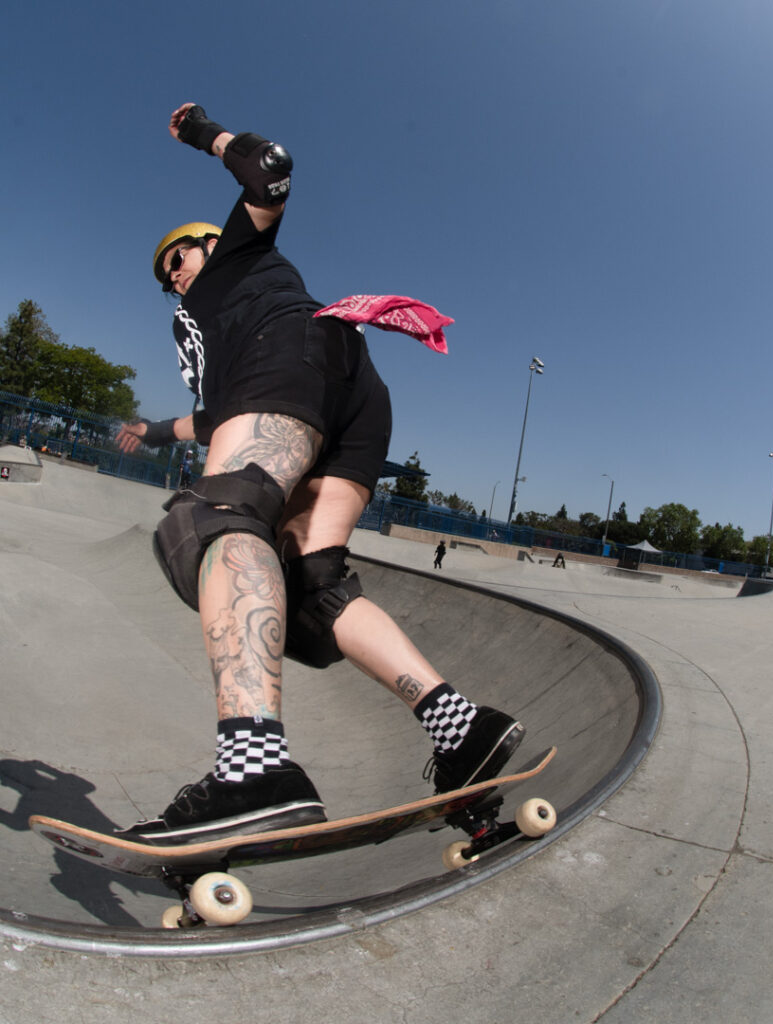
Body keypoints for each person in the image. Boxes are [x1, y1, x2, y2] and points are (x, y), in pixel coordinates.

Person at [114, 103, 525, 844]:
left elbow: (268, 170)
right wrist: (148, 430)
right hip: (341, 385)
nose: (173, 273)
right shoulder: (219, 329)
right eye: (165, 273)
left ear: (214, 241)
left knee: (217, 516)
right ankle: (459, 726)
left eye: (180, 253)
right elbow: (222, 421)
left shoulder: (238, 259)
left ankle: (253, 767)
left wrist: (201, 129)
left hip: (289, 356)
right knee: (314, 578)